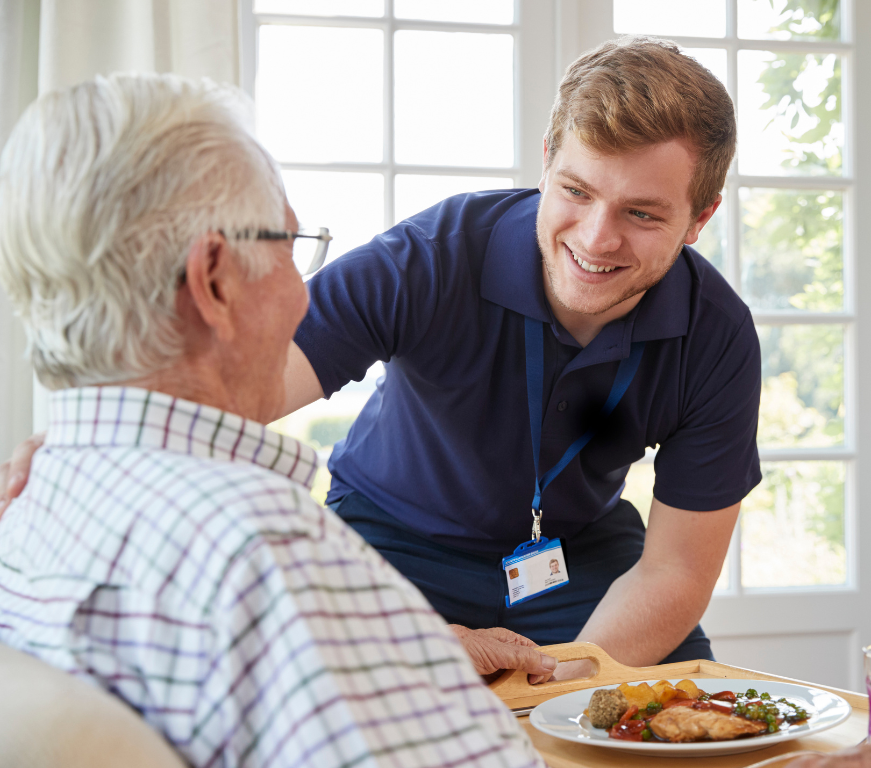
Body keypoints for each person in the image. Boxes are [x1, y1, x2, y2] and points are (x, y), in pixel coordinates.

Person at [2, 36, 761, 675]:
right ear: (546, 160)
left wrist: (560, 685)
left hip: (576, 558)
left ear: (700, 218)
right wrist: (84, 446)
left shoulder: (718, 334)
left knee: (669, 713)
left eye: (641, 213)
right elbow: (229, 389)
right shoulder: (428, 259)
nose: (596, 239)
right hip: (392, 542)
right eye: (575, 190)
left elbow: (675, 570)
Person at [0, 72, 544, 768]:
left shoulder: (29, 506)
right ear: (216, 279)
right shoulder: (260, 548)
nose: (303, 297)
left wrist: (389, 648)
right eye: (291, 247)